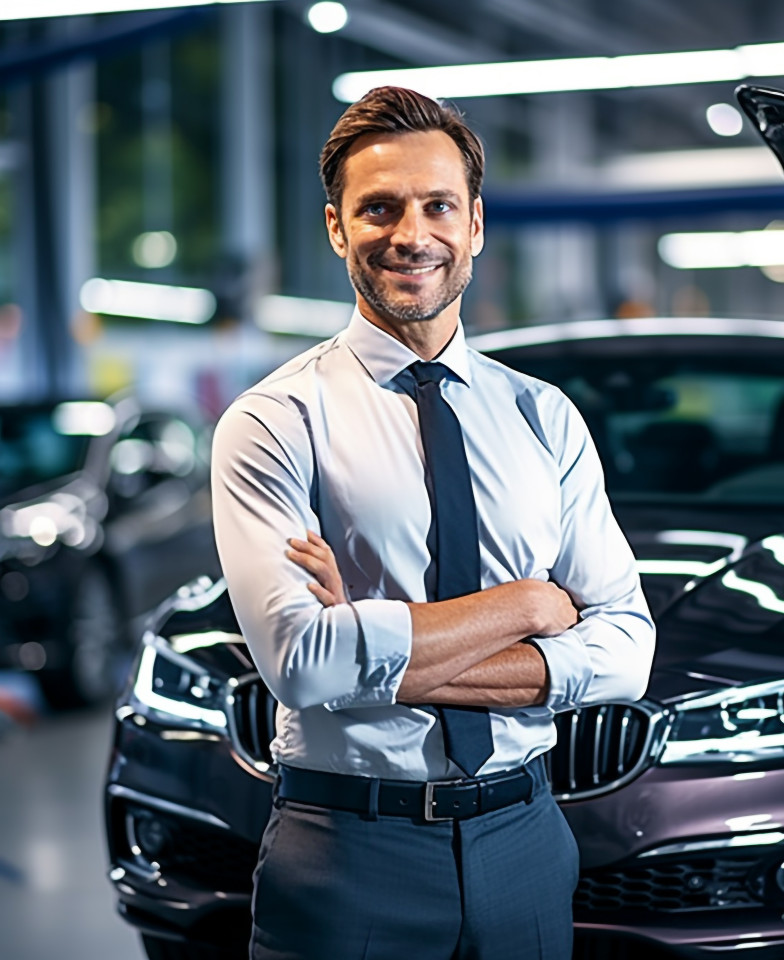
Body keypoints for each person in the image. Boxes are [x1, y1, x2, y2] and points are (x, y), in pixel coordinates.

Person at [210, 85, 655, 960]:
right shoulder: (275, 421)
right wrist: (528, 605)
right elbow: (302, 663)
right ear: (337, 228)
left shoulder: (543, 418)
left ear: (475, 224)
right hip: (349, 853)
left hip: (525, 838)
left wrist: (373, 653)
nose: (411, 234)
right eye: (378, 208)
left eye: (437, 205)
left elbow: (628, 652)